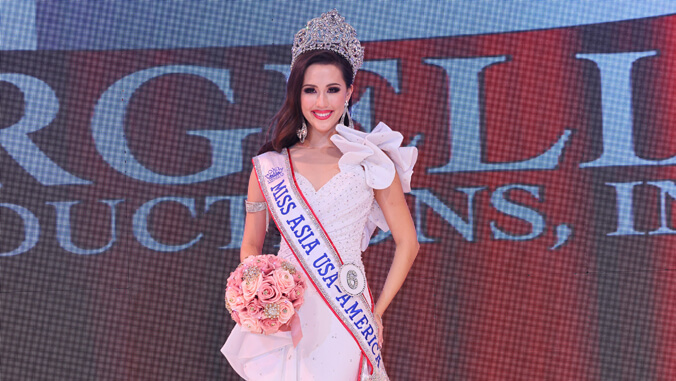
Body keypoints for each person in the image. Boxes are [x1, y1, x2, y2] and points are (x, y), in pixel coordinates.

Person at [222, 10, 419, 381]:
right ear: (297, 94)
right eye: (310, 89)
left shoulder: (371, 161)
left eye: (332, 89)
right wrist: (264, 295)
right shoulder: (269, 167)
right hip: (286, 315)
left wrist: (377, 313)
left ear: (349, 92)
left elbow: (408, 243)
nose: (321, 101)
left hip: (346, 307)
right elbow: (251, 245)